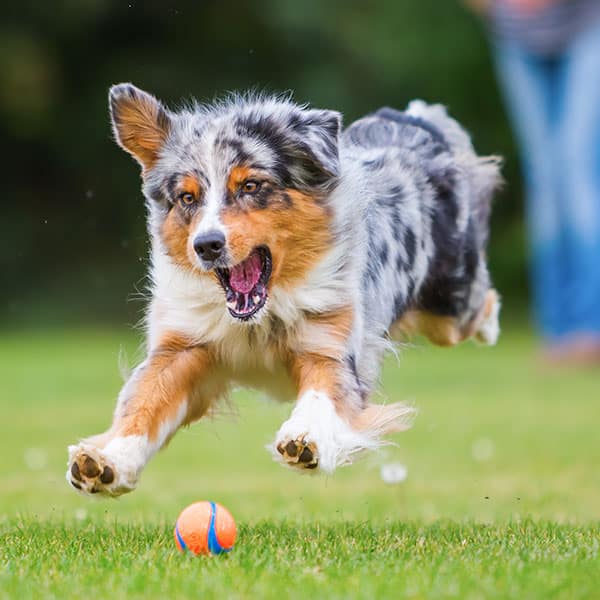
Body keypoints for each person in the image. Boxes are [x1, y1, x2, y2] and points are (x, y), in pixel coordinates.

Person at [467, 0, 600, 365]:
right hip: (517, 35)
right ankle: (557, 331)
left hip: (586, 24)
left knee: (577, 165)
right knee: (543, 176)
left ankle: (590, 328)